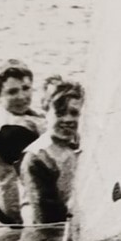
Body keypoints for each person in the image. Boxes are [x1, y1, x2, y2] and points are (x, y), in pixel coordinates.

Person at [0, 59, 45, 224]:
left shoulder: (20, 114)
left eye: (26, 88)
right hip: (12, 218)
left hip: (4, 208)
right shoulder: (6, 131)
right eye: (12, 92)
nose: (21, 96)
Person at [19, 81, 83, 225]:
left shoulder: (79, 146)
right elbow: (46, 217)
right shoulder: (38, 158)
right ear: (46, 114)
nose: (67, 119)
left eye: (74, 113)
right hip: (47, 230)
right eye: (60, 113)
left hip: (74, 222)